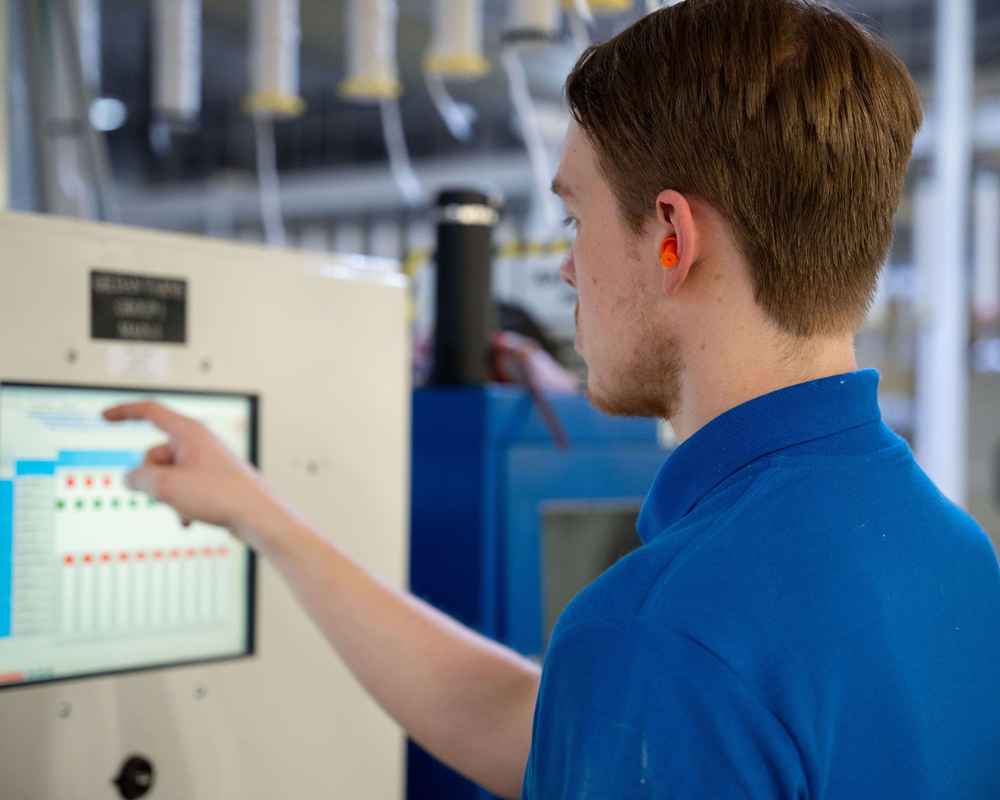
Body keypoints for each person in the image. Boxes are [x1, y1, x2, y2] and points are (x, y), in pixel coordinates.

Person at [104, 1, 1000, 797]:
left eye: (577, 217)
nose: (567, 265)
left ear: (672, 240)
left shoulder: (663, 635)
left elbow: (641, 686)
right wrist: (264, 518)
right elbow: (535, 725)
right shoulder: (950, 554)